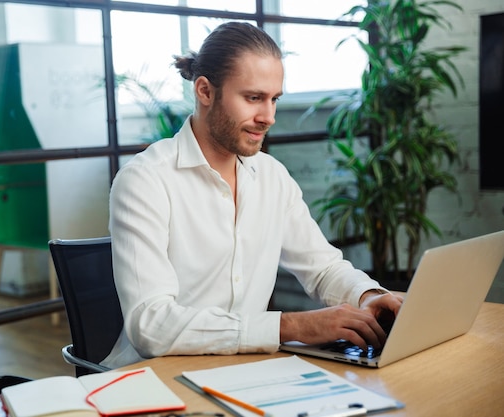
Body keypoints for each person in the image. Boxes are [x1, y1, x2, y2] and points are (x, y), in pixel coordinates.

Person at [103, 21, 403, 369]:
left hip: (244, 373)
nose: (269, 117)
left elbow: (322, 268)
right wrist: (290, 326)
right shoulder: (145, 181)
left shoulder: (272, 176)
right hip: (153, 381)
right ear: (205, 91)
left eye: (274, 99)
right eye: (253, 98)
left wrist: (368, 296)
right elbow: (150, 325)